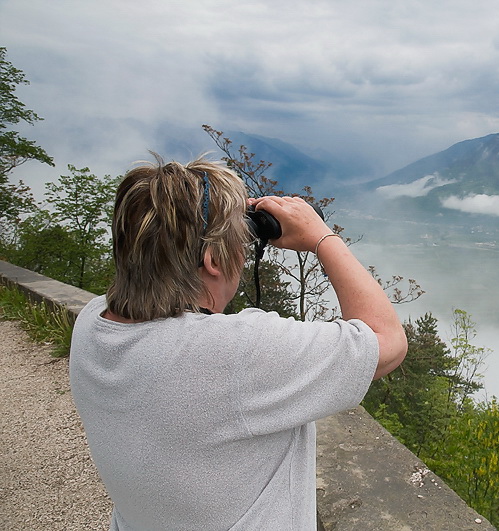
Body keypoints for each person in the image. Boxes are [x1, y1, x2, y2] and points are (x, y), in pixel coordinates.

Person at [69, 154, 407, 530]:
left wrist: (214, 217)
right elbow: (387, 342)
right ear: (213, 258)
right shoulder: (235, 353)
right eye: (239, 239)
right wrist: (322, 238)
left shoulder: (93, 322)